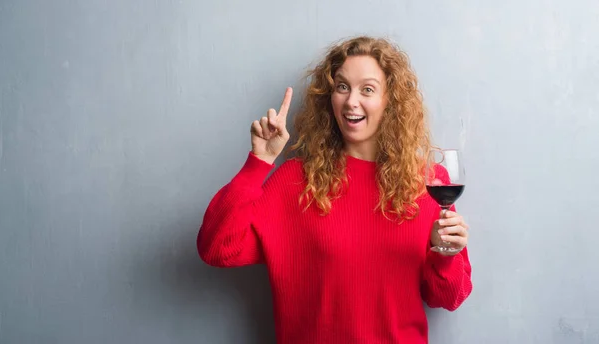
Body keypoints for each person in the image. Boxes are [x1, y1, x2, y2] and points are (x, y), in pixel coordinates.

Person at [197, 36, 472, 344]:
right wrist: (258, 162)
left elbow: (448, 298)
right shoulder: (295, 180)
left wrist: (445, 254)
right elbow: (217, 248)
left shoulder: (429, 182)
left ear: (390, 101)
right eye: (342, 87)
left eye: (367, 89)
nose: (351, 101)